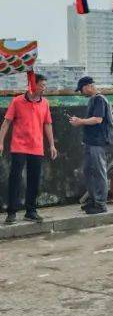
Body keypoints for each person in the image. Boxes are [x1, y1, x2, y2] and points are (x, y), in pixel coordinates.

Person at [1, 73, 57, 224]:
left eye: (45, 85)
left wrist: (51, 145)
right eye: (42, 85)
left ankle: (30, 211)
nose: (44, 88)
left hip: (37, 147)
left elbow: (47, 124)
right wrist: (0, 142)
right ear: (33, 84)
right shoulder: (17, 101)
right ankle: (11, 212)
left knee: (34, 180)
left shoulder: (44, 103)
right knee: (15, 179)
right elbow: (6, 123)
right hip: (18, 146)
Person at [66, 76, 110, 215]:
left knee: (99, 172)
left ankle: (101, 204)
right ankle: (93, 200)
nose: (81, 93)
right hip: (90, 142)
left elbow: (98, 119)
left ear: (88, 86)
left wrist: (80, 121)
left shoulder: (99, 99)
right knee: (88, 171)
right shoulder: (93, 100)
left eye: (82, 90)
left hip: (98, 142)